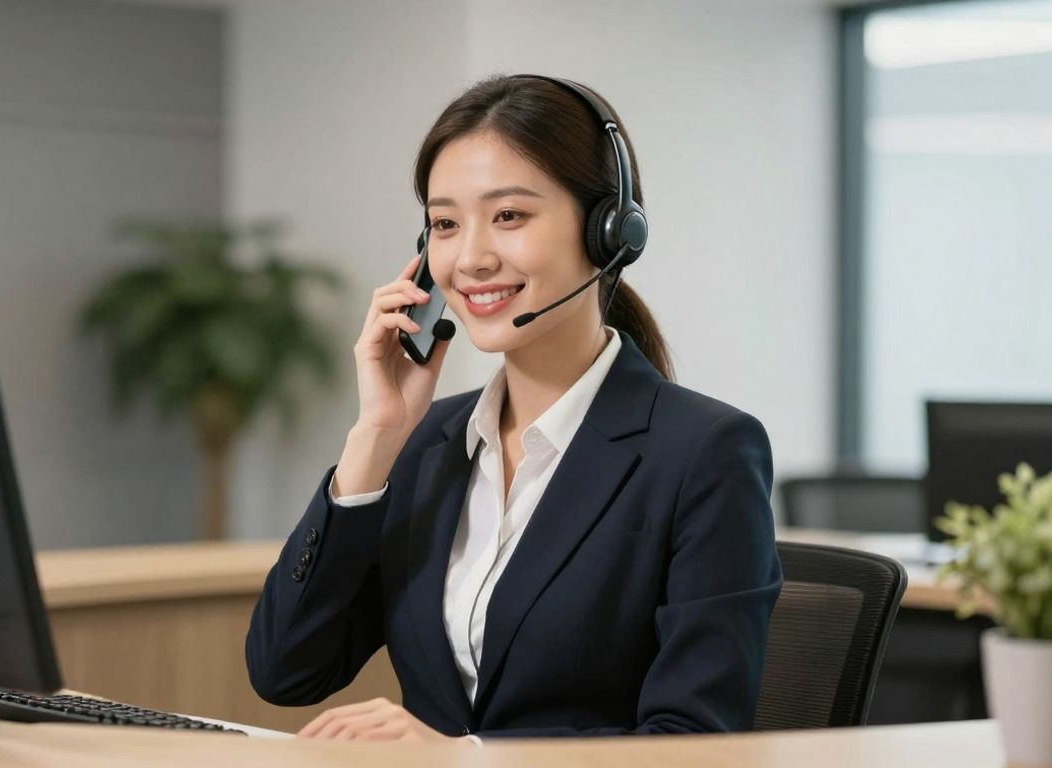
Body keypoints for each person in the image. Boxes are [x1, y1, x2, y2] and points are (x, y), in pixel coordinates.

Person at [245, 73, 782, 743]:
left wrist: (464, 758)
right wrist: (375, 437)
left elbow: (695, 742)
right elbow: (285, 670)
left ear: (608, 231)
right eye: (445, 224)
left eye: (509, 216)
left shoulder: (705, 453)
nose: (470, 259)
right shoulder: (429, 445)